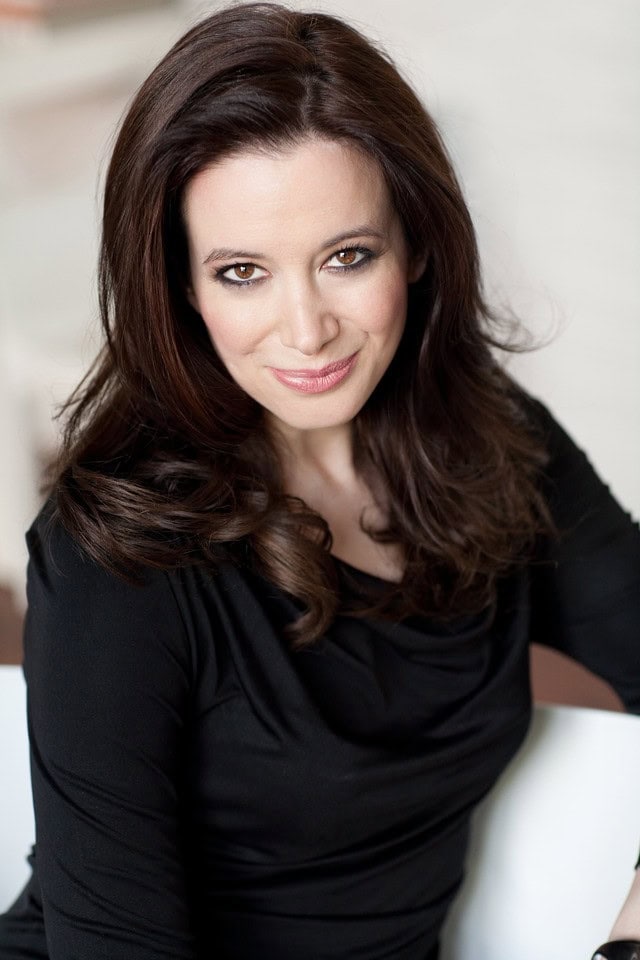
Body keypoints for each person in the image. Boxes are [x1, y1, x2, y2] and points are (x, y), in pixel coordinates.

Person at [1, 3, 639, 958]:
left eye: (348, 257)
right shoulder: (113, 557)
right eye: (243, 271)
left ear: (418, 247)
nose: (305, 332)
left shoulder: (491, 442)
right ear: (181, 283)